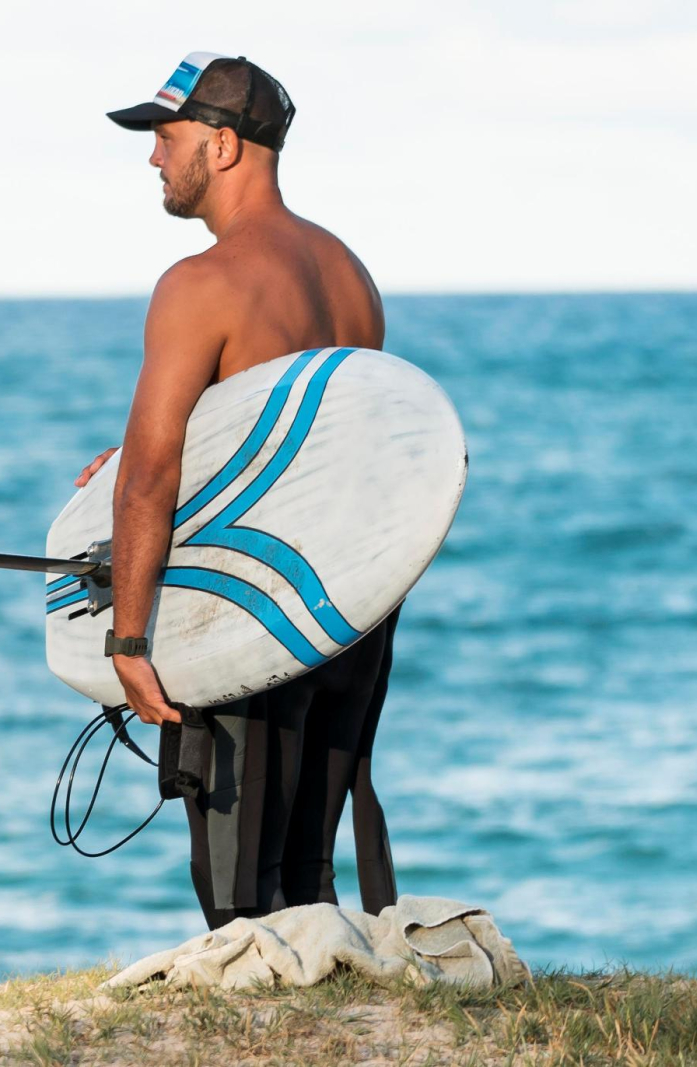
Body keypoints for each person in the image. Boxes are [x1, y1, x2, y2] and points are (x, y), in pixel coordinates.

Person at [76, 52, 402, 928]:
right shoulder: (349, 274)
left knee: (241, 899)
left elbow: (149, 479)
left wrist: (129, 640)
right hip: (349, 619)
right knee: (310, 874)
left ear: (221, 146)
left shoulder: (201, 284)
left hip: (252, 614)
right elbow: (301, 439)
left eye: (167, 136)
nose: (154, 156)